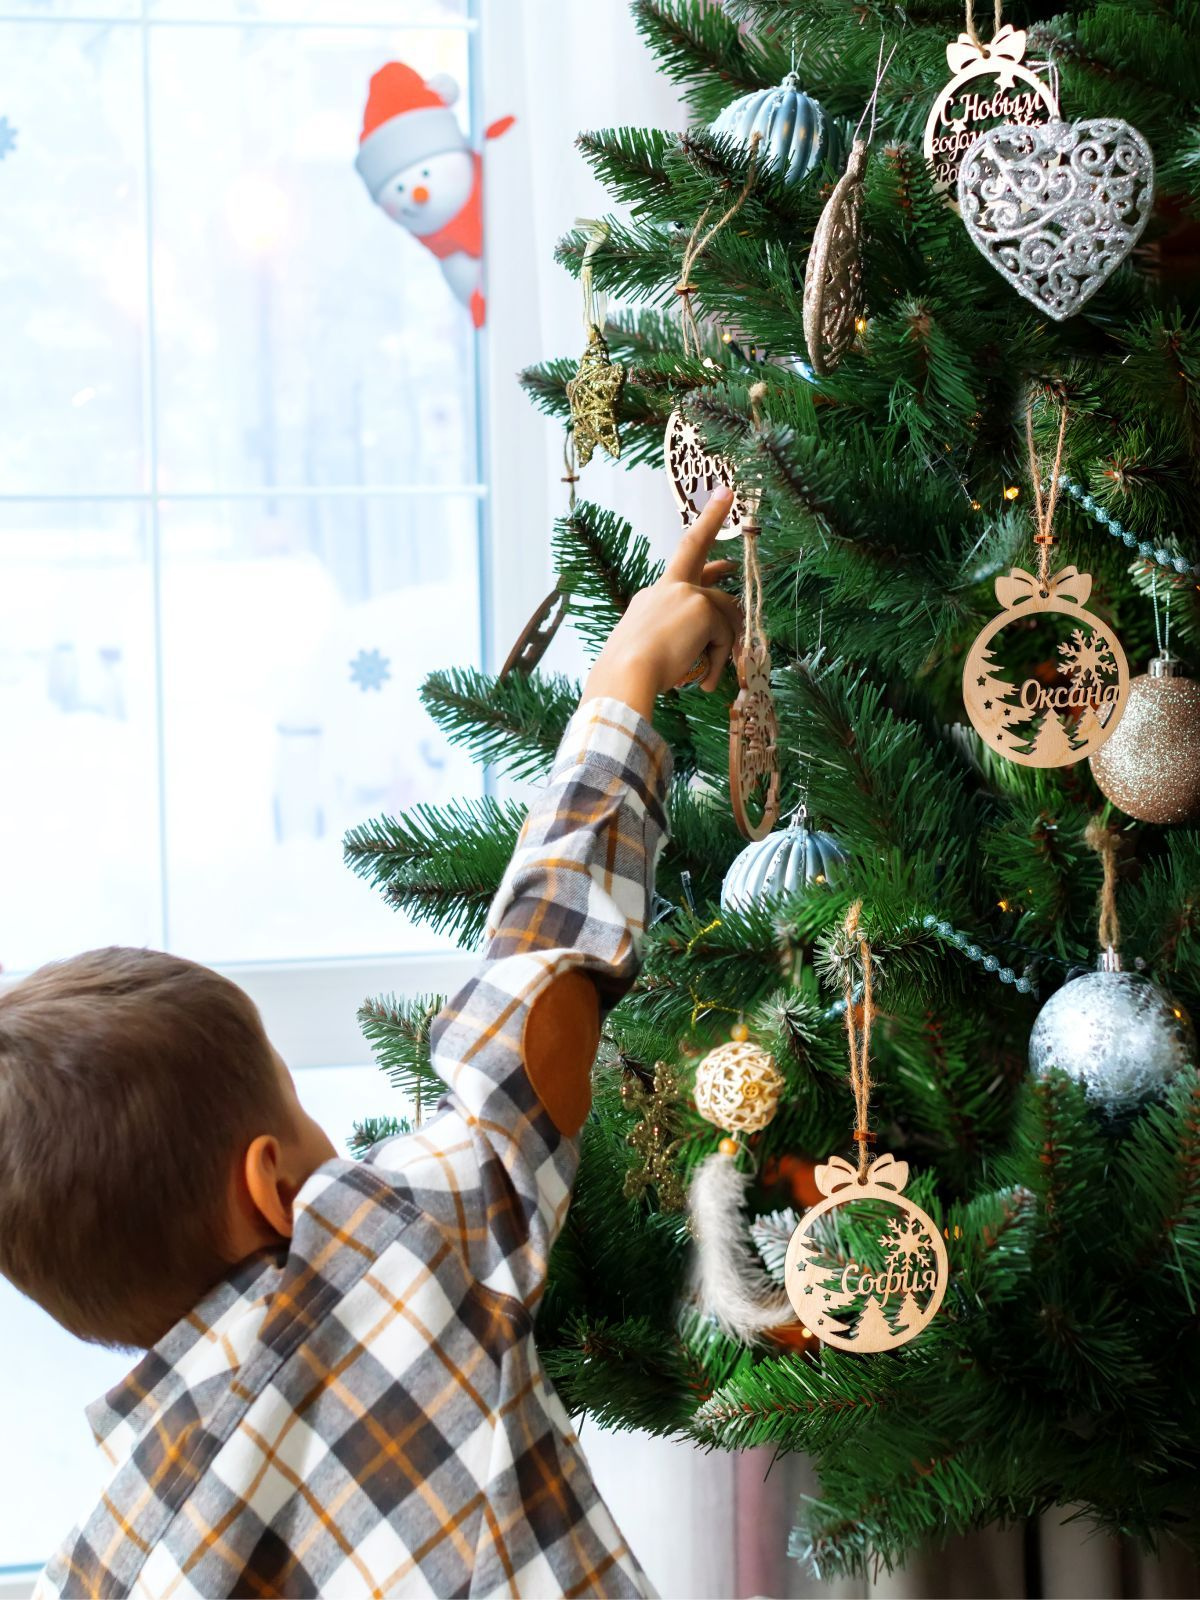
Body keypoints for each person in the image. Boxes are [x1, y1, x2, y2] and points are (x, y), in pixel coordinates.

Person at [5, 489, 742, 1599]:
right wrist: (624, 682)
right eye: (304, 1114)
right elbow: (531, 995)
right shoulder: (381, 1258)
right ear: (271, 1185)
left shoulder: (107, 1563)